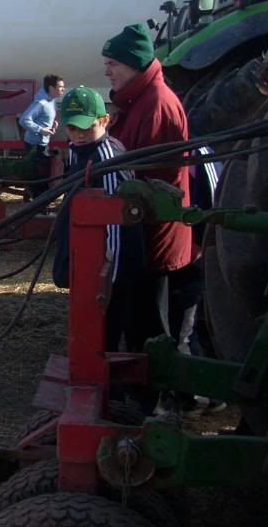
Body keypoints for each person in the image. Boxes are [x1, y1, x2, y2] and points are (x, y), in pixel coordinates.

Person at [101, 24, 196, 385]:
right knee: (142, 313)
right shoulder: (141, 100)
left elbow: (148, 180)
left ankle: (160, 393)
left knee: (151, 319)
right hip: (143, 230)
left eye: (112, 63)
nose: (107, 70)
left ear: (134, 64)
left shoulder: (155, 105)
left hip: (152, 232)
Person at [51, 86, 144, 350]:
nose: (79, 135)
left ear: (104, 120)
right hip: (88, 262)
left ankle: (107, 384)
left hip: (105, 269)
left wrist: (106, 279)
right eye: (72, 128)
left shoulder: (105, 159)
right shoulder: (81, 151)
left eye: (85, 128)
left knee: (103, 338)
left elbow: (115, 225)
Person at [18, 74, 65, 155]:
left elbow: (44, 118)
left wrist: (53, 124)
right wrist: (40, 130)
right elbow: (23, 120)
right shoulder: (41, 103)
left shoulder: (52, 101)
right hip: (33, 146)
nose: (63, 89)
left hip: (43, 145)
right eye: (60, 87)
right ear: (51, 88)